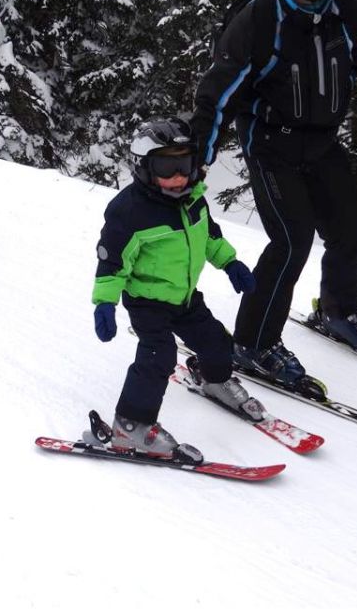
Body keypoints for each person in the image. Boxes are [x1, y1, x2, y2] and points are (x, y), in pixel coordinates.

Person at [189, 0, 357, 395]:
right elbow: (218, 92)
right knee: (291, 242)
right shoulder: (260, 18)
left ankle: (340, 312)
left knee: (349, 230)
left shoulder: (349, 10)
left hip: (324, 143)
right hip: (270, 144)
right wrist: (197, 156)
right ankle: (253, 342)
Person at [92, 118, 261, 458]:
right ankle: (132, 425)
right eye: (168, 166)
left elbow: (209, 236)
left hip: (184, 297)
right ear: (144, 167)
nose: (179, 176)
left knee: (217, 342)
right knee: (159, 355)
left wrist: (230, 262)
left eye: (185, 164)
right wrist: (105, 303)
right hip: (147, 301)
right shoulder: (130, 212)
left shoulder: (193, 199)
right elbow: (112, 262)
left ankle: (213, 379)